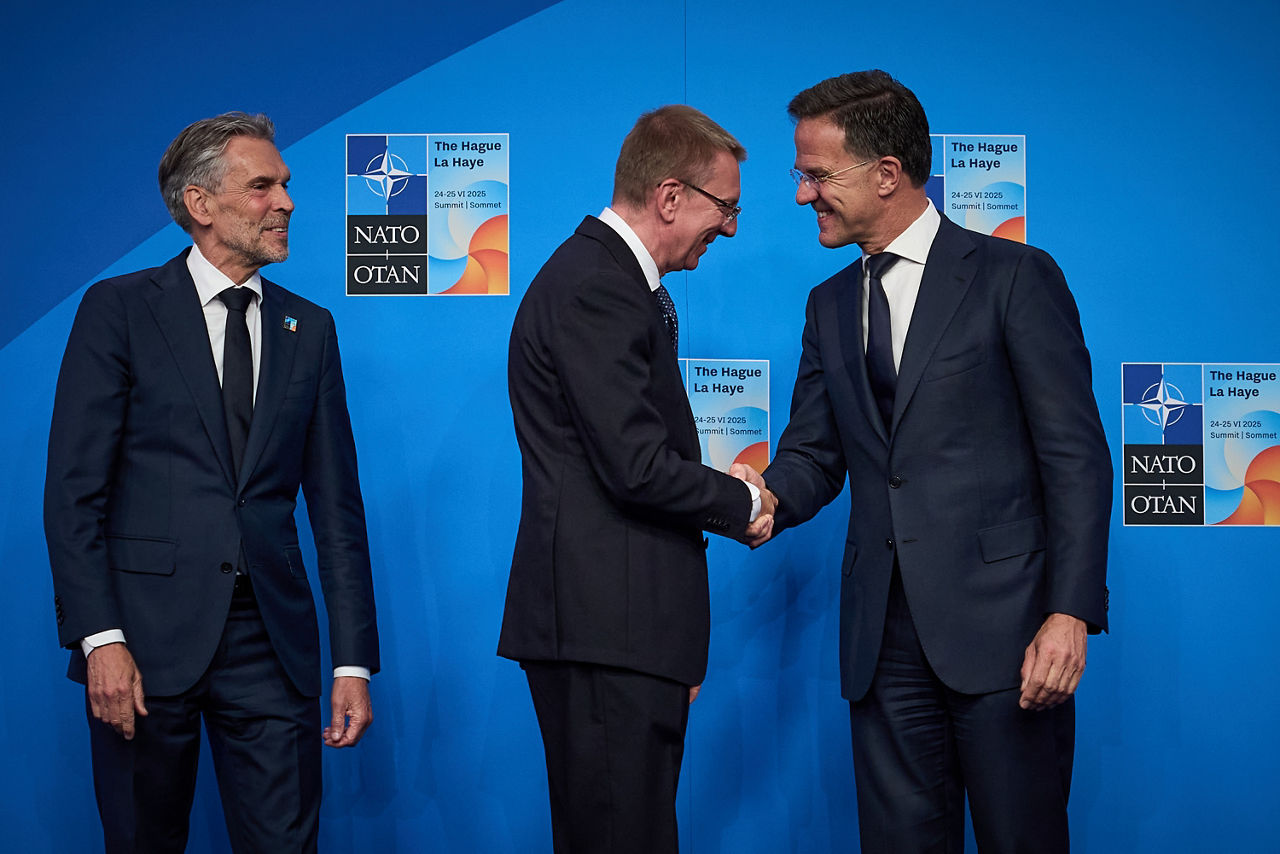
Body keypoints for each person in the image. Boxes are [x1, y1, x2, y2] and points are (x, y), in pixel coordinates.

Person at [736, 71, 1112, 852]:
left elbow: (1075, 456)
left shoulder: (1014, 277)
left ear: (886, 173)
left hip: (1008, 636)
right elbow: (814, 454)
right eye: (800, 175)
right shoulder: (828, 306)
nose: (803, 195)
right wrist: (759, 496)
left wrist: (1068, 613)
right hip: (882, 646)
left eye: (817, 176)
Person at [44, 112, 379, 853]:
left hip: (272, 645)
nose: (286, 202)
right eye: (263, 186)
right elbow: (75, 493)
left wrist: (352, 661)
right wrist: (101, 639)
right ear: (200, 203)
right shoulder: (120, 311)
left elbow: (337, 511)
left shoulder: (310, 329)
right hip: (142, 645)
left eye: (285, 185)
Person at [498, 104, 774, 853]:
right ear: (671, 196)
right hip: (604, 628)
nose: (733, 227)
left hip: (622, 629)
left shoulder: (616, 281)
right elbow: (636, 466)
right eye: (727, 206)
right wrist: (742, 499)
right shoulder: (598, 285)